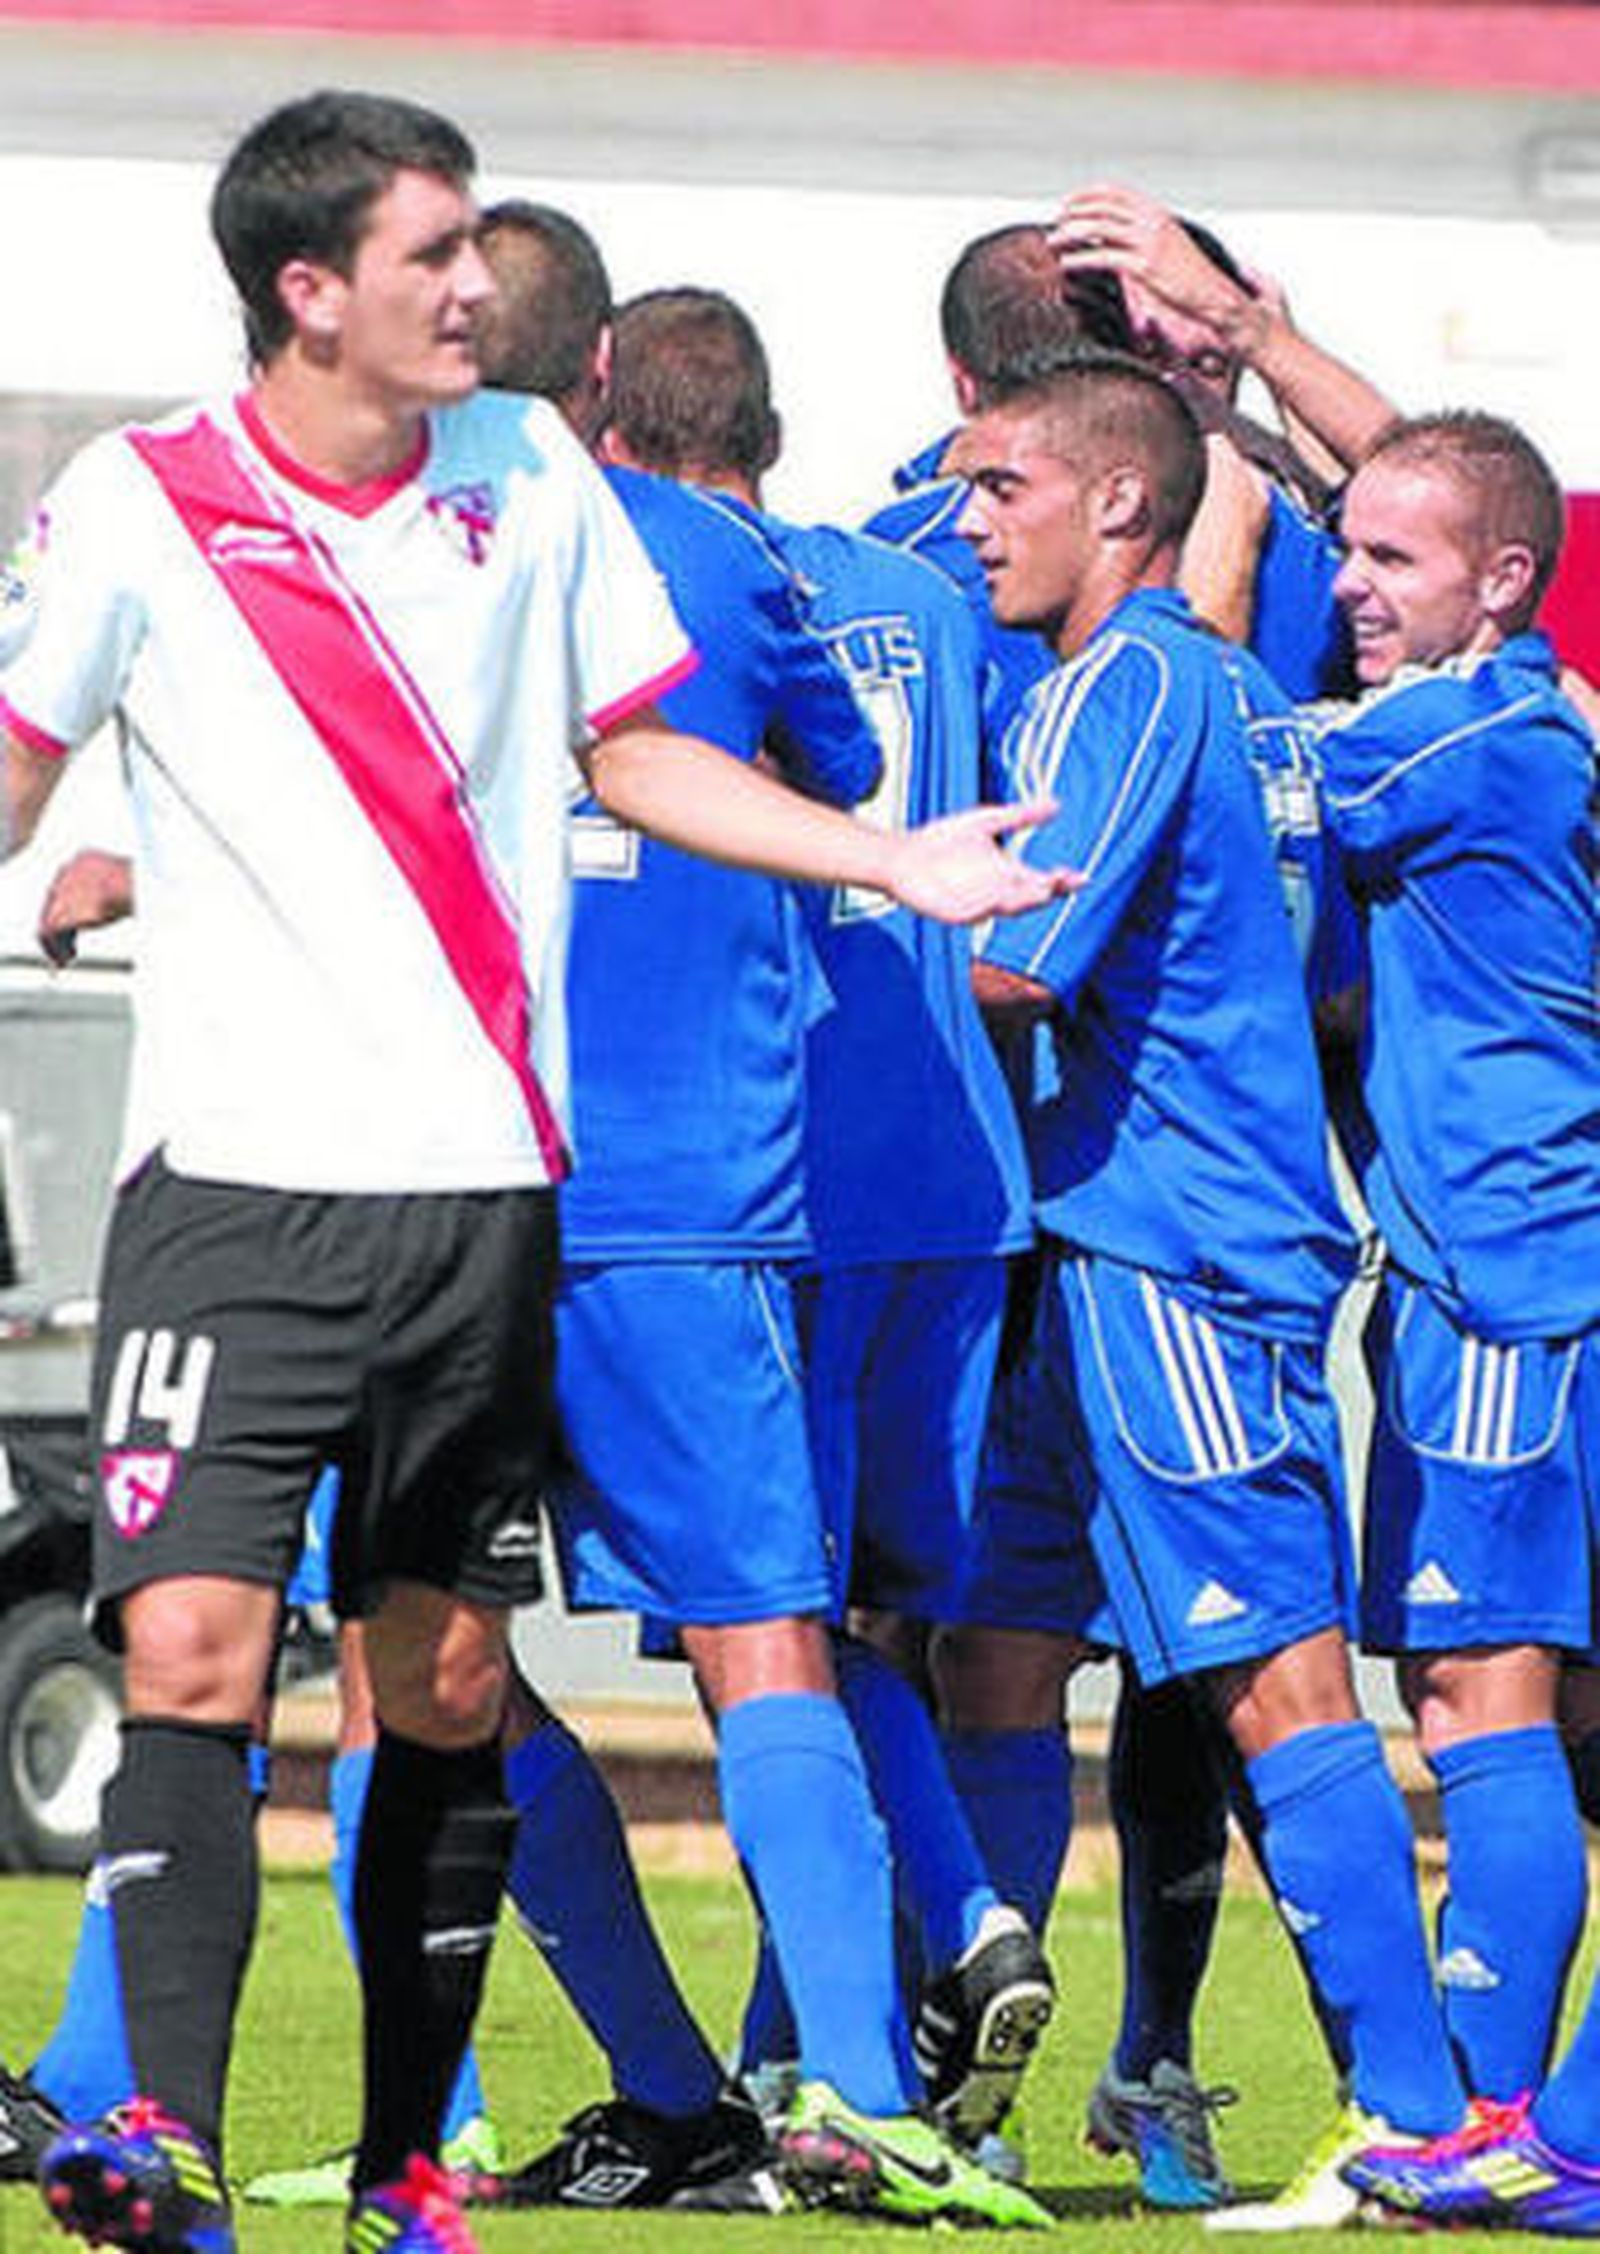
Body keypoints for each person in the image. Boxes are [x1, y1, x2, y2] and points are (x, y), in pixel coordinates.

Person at [0, 88, 1070, 2254]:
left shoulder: (537, 482)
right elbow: (26, 759)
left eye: (480, 245)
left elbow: (639, 745)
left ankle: (424, 2158)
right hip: (231, 1190)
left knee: (449, 1683)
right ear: (312, 292)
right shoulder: (136, 501)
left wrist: (884, 856)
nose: (472, 280)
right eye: (430, 249)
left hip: (494, 1193)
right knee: (195, 1644)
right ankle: (150, 2134)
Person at [476, 220, 1051, 2230]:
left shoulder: (394, 548)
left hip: (439, 1172)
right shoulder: (766, 567)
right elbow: (846, 768)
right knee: (798, 1628)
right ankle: (867, 2063)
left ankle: (518, 2096)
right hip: (741, 1183)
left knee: (416, 1647)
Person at [938, 348, 1470, 2232]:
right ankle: (974, 2112)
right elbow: (1316, 967)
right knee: (996, 1653)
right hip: (1109, 1233)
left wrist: (827, 903)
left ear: (1117, 505)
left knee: (1275, 1676)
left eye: (999, 487)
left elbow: (1023, 962)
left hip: (1180, 1245)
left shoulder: (1137, 679)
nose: (969, 519)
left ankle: (1413, 2116)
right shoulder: (1243, 699)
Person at [1281, 412, 1599, 2239]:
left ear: (1500, 583)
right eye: (1345, 550)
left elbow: (1262, 768)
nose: (1351, 588)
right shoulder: (1528, 714)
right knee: (1520, 1694)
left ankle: (1499, 2114)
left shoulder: (1460, 735)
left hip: (1504, 1285)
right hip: (1525, 1273)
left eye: (1392, 561)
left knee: (1484, 1688)